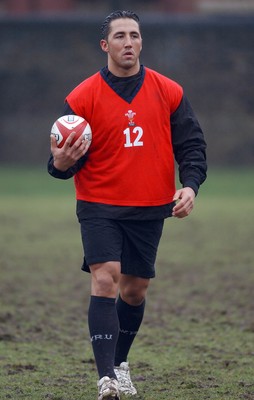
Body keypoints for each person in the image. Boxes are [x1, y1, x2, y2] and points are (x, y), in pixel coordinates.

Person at [48, 10, 207, 400]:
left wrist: (190, 186)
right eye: (119, 36)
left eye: (134, 35)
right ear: (106, 45)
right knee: (106, 277)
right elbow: (61, 163)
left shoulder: (168, 90)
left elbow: (192, 146)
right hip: (98, 202)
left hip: (151, 205)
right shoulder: (81, 98)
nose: (128, 43)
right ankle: (105, 379)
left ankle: (119, 365)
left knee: (135, 290)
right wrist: (61, 163)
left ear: (141, 42)